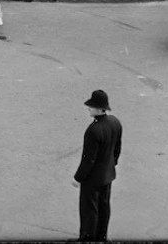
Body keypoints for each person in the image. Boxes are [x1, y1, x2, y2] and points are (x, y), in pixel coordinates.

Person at [72, 89, 122, 242]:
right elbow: (117, 149)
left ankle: (87, 238)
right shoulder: (115, 122)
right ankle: (102, 237)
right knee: (104, 207)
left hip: (92, 179)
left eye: (92, 106)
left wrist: (78, 178)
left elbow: (88, 160)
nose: (89, 108)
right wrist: (112, 164)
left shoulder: (93, 130)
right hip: (107, 175)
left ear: (100, 109)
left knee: (89, 211)